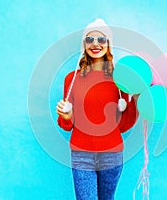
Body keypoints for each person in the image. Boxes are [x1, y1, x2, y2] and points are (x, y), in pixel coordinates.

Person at [56, 18, 138, 200]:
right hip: (81, 155)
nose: (95, 44)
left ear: (109, 44)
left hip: (112, 156)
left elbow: (123, 125)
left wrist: (135, 102)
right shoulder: (72, 79)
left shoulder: (120, 79)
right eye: (89, 39)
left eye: (101, 39)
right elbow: (66, 124)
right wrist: (67, 115)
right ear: (84, 44)